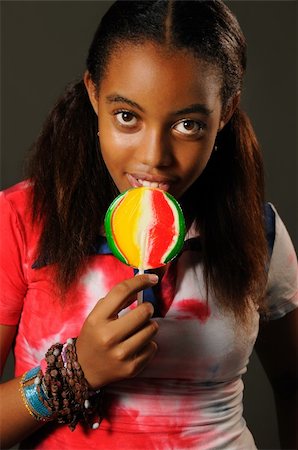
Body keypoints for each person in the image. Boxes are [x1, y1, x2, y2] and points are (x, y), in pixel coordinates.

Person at [0, 1, 297, 449]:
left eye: (187, 124)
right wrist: (75, 371)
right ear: (94, 94)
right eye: (127, 117)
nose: (154, 156)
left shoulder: (260, 233)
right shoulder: (21, 219)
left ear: (226, 113)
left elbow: (293, 381)